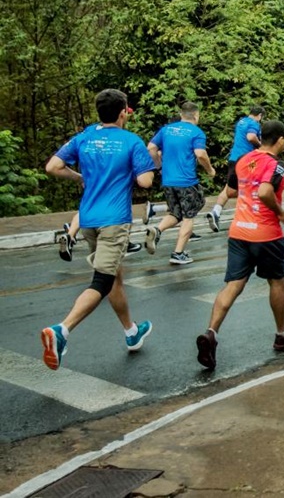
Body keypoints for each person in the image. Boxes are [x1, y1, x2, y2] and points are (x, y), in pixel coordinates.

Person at [41, 89, 156, 370]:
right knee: (102, 282)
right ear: (122, 113)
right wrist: (150, 165)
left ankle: (131, 332)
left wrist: (78, 176)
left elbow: (53, 166)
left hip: (88, 221)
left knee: (114, 276)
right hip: (114, 221)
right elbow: (145, 182)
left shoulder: (85, 137)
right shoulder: (131, 142)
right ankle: (62, 330)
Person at [195, 120, 284, 370]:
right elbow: (266, 192)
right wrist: (281, 212)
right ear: (280, 140)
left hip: (239, 231)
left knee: (233, 285)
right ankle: (281, 333)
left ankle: (211, 333)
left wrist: (247, 187)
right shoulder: (276, 166)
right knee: (276, 282)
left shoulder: (244, 160)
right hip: (267, 234)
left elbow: (231, 191)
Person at [58, 121, 143, 262]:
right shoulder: (125, 139)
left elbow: (53, 166)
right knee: (103, 275)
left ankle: (71, 234)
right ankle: (124, 243)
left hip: (92, 192)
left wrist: (80, 178)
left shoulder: (88, 134)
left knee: (87, 209)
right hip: (112, 201)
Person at [144, 103, 214, 265]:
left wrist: (159, 166)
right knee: (189, 216)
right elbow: (200, 154)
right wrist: (210, 170)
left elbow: (151, 148)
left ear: (181, 115)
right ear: (196, 115)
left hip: (168, 180)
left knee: (176, 213)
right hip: (187, 181)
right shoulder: (197, 132)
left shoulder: (167, 129)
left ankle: (157, 230)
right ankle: (178, 253)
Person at [206, 106, 264, 232]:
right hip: (247, 160)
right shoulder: (254, 123)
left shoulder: (242, 121)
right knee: (250, 187)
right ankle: (249, 217)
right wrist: (260, 146)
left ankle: (216, 211)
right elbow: (251, 137)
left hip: (234, 158)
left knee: (228, 188)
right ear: (259, 115)